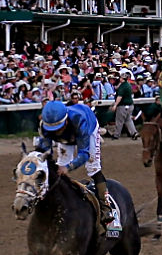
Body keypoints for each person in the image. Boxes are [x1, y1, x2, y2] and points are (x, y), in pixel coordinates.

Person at [36, 100, 118, 236]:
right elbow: (44, 152)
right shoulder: (44, 126)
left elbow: (84, 153)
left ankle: (106, 208)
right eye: (52, 131)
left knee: (93, 167)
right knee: (58, 167)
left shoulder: (80, 121)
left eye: (58, 129)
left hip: (88, 129)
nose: (56, 133)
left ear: (66, 121)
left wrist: (69, 167)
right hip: (67, 138)